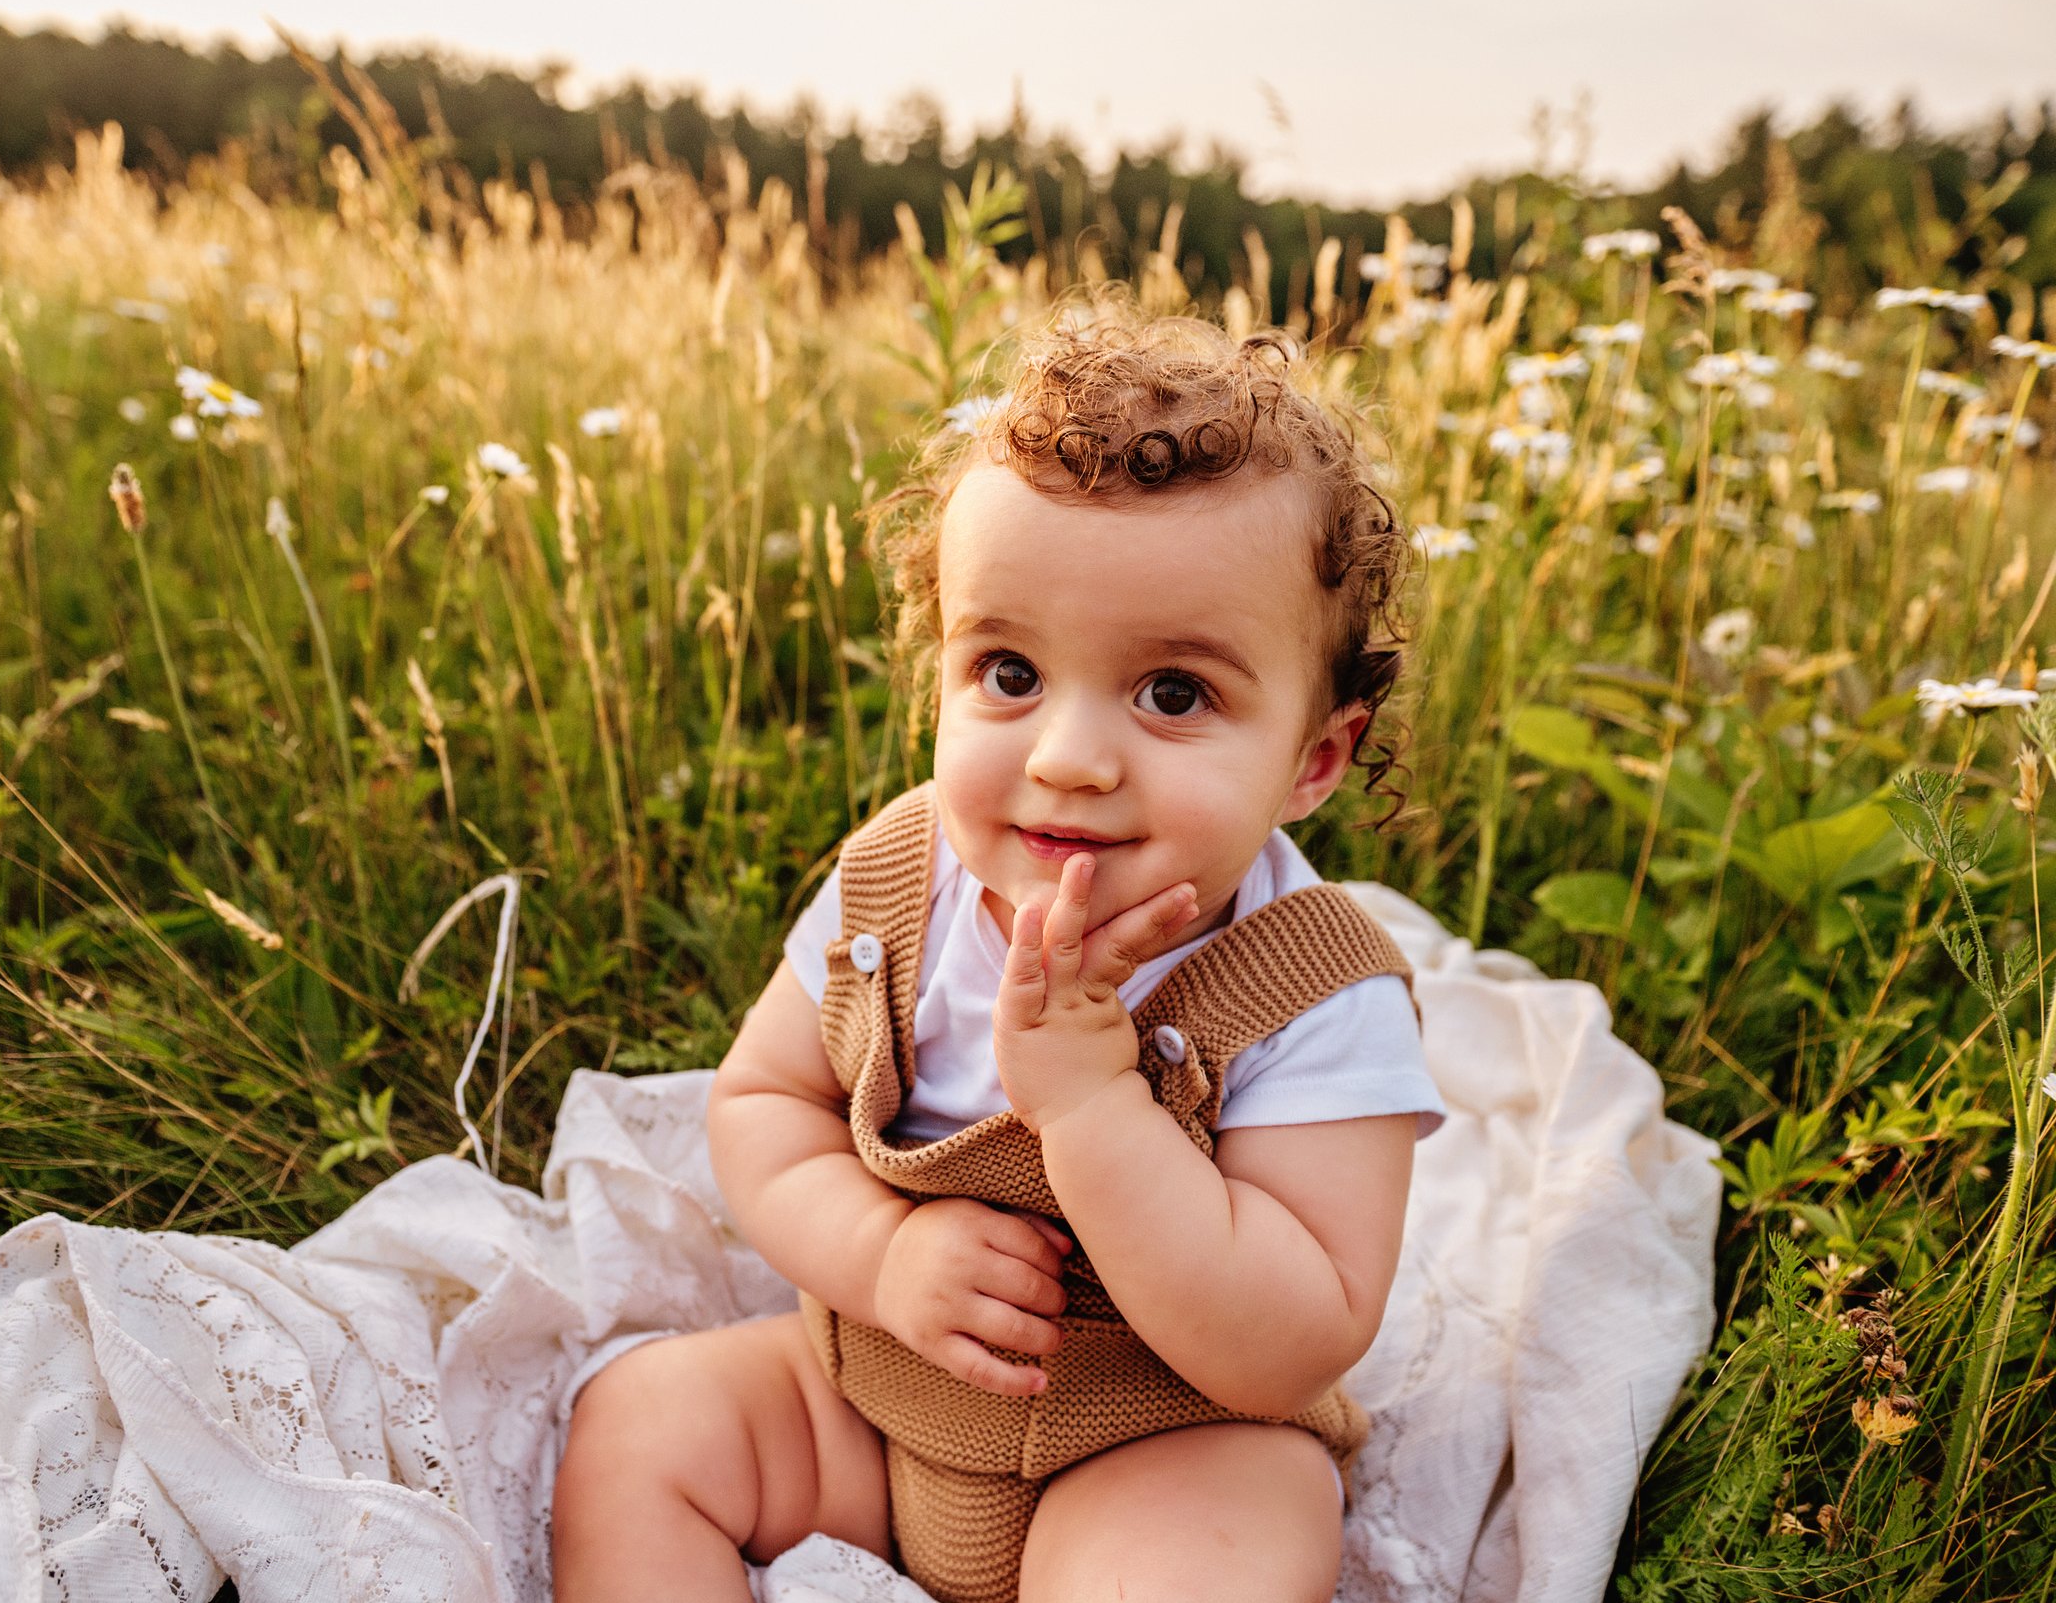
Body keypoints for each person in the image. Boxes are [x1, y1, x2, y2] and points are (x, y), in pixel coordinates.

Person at [551, 302, 1446, 1603]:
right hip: (879, 1396)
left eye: (1174, 694)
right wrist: (880, 1256)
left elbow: (1294, 1336)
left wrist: (1091, 1105)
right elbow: (761, 1107)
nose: (1067, 757)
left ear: (1315, 760)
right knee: (642, 1429)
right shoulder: (897, 883)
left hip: (1166, 1444)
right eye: (1010, 672)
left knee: (1213, 1557)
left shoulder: (1311, 990)